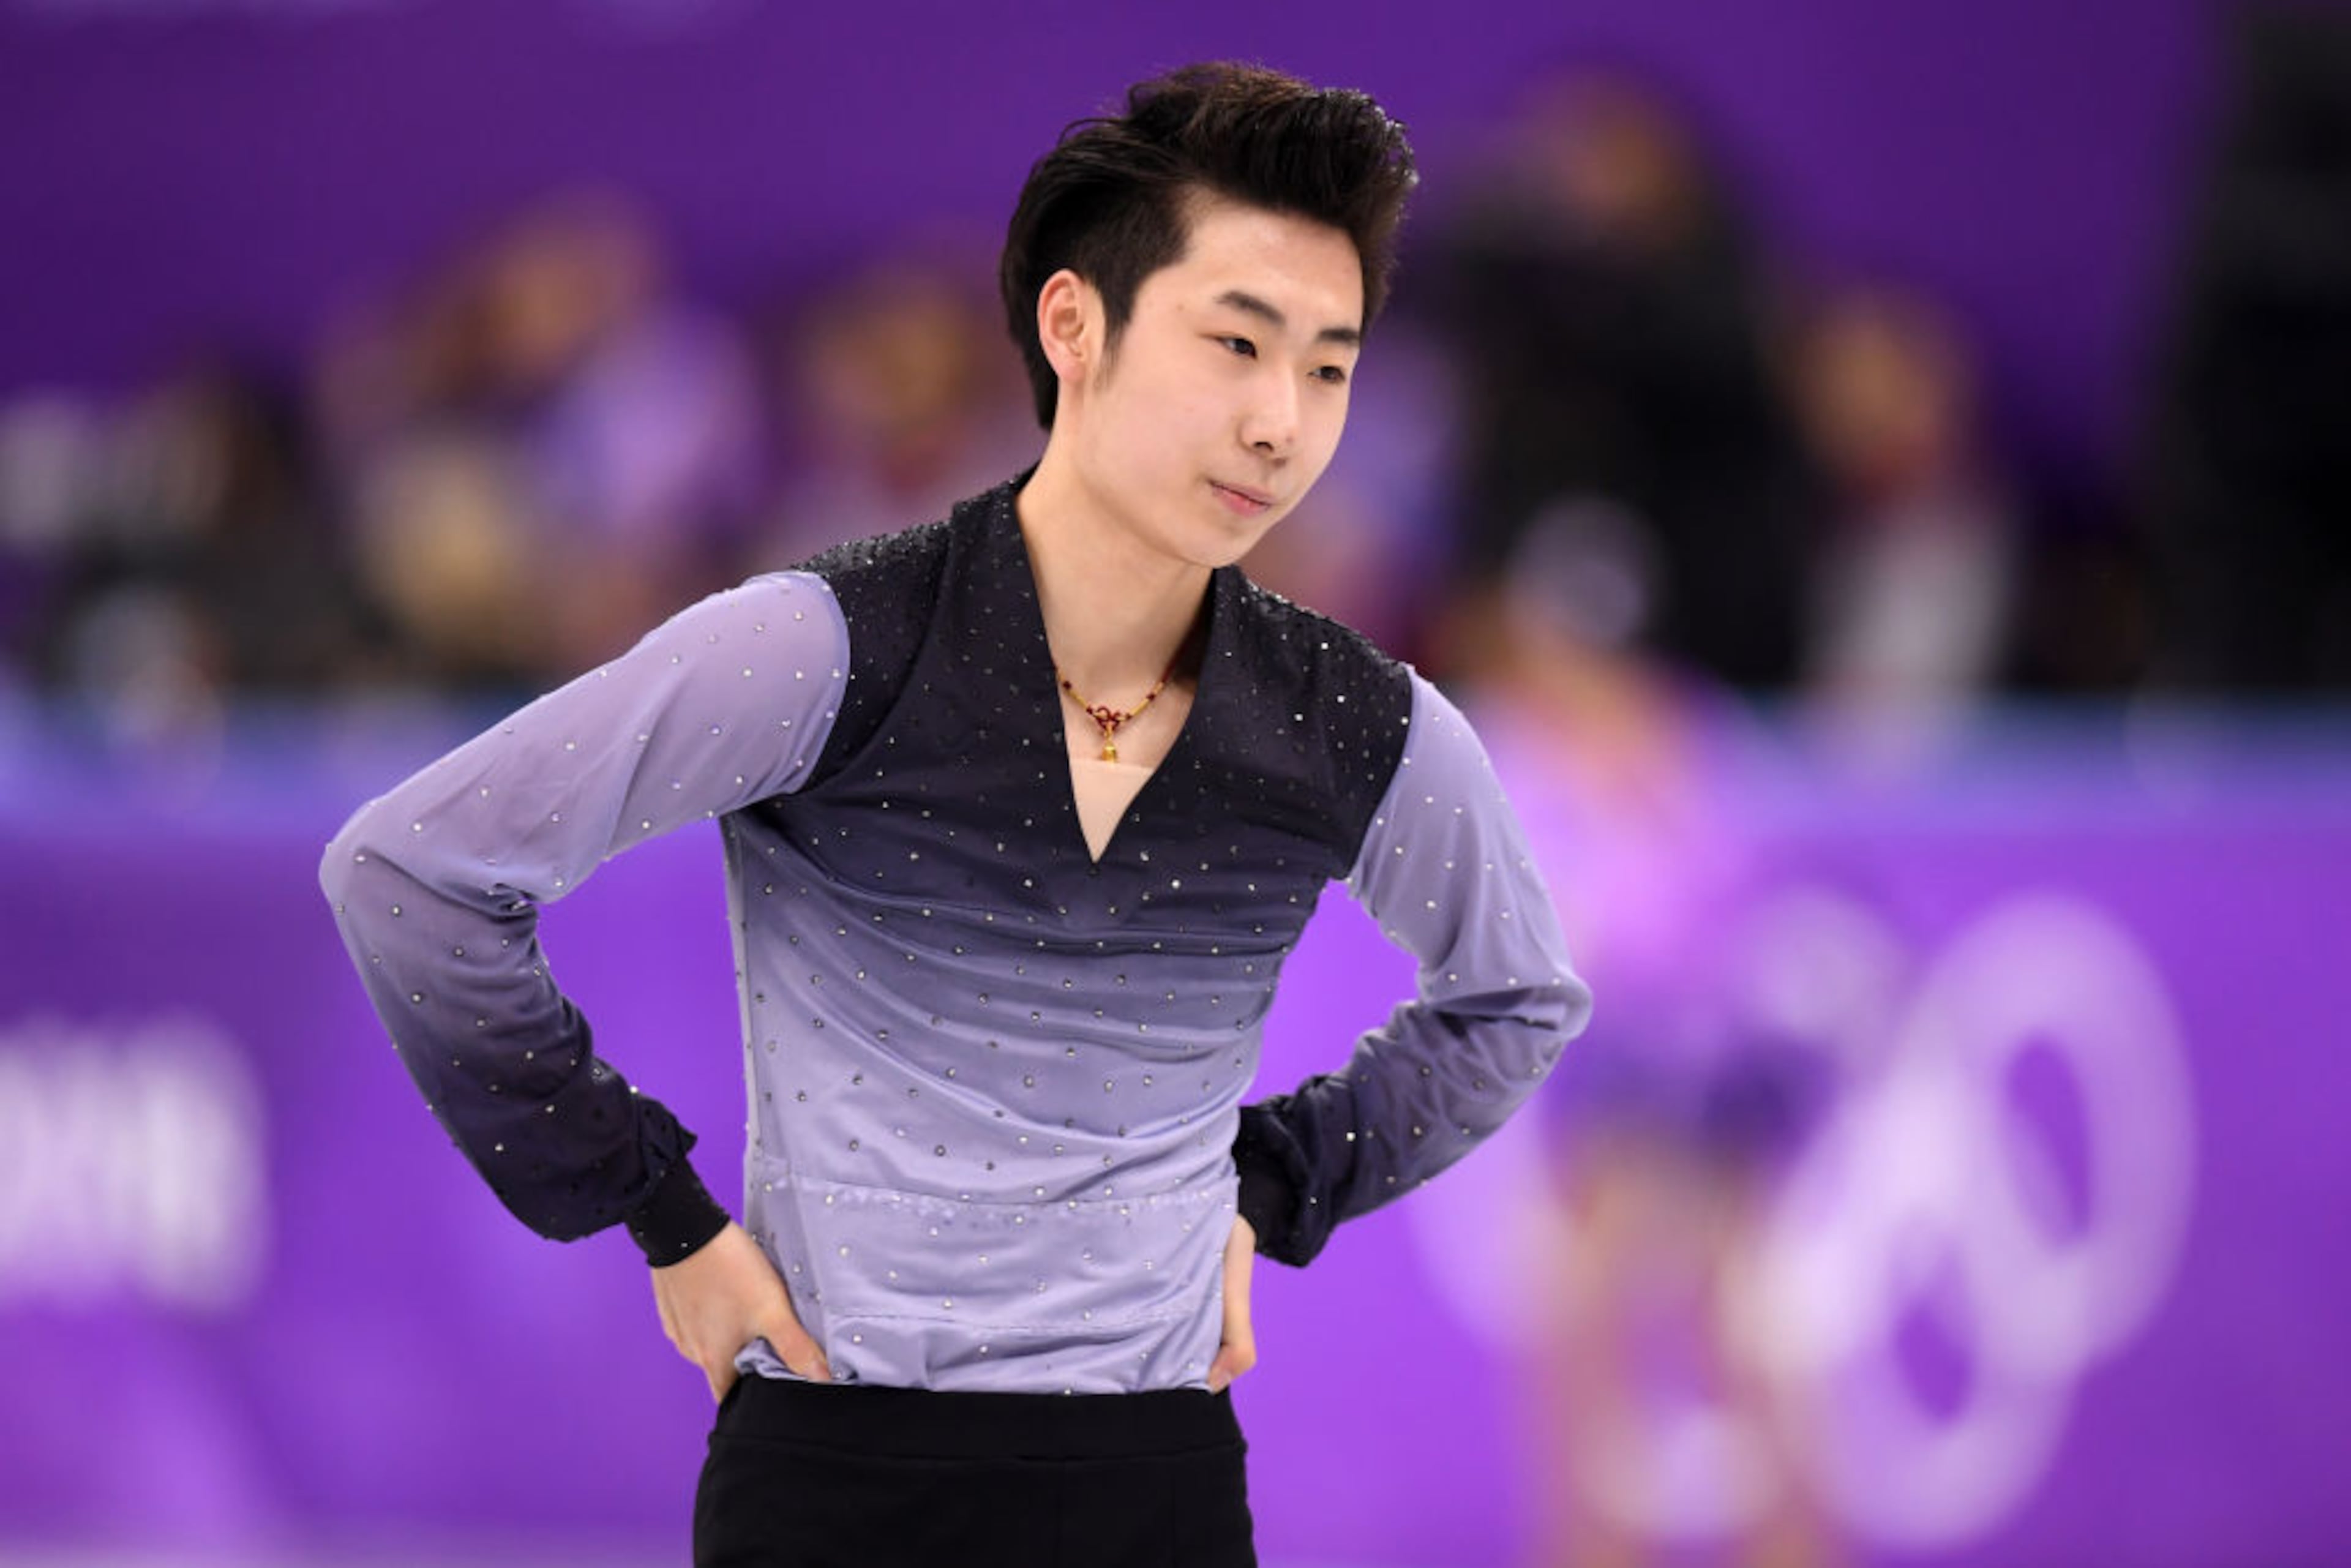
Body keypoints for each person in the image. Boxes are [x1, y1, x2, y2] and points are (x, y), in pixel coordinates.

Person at [321, 61, 1591, 1568]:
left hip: (1159, 1485)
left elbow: (1516, 999)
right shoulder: (827, 648)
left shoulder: (1350, 718)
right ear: (1077, 328)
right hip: (837, 1484)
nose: (1279, 423)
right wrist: (651, 1206)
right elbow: (411, 875)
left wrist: (1263, 1189)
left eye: (1328, 367)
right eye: (1236, 344)